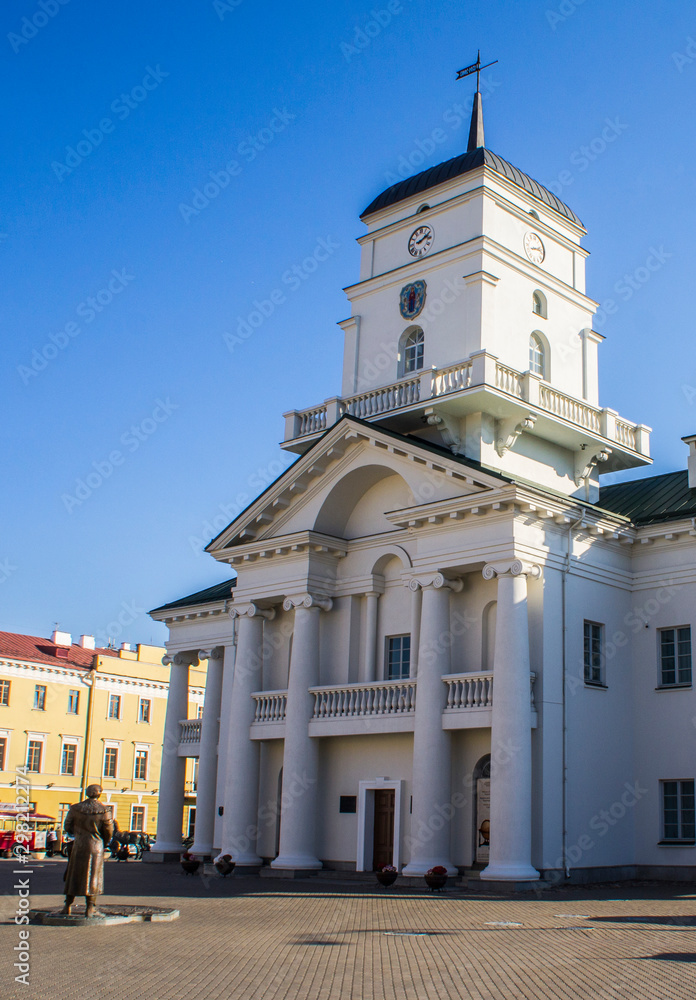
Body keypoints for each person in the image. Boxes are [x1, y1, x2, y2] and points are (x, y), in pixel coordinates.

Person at [60, 784, 114, 919]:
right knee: (93, 876)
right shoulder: (104, 810)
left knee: (73, 874)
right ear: (99, 794)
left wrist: (78, 834)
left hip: (79, 844)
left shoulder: (75, 808)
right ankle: (90, 908)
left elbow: (67, 826)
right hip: (96, 846)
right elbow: (108, 830)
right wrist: (104, 842)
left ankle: (67, 905)